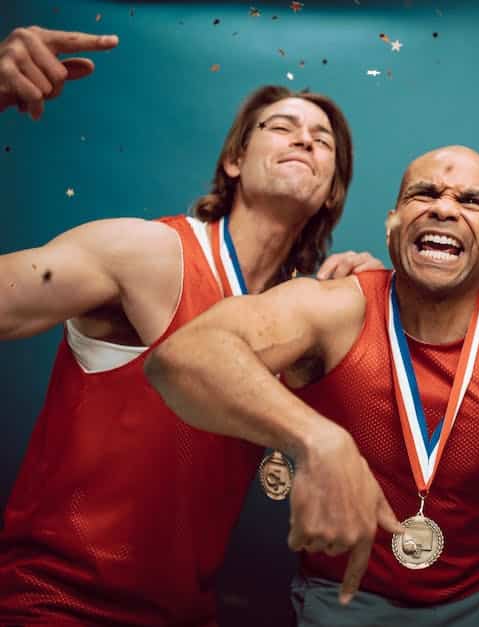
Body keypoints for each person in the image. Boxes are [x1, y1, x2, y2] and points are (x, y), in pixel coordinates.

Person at [0, 25, 386, 625]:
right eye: (281, 127)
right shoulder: (143, 253)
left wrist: (386, 296)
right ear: (235, 160)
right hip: (55, 606)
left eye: (322, 140)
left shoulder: (307, 319)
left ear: (332, 191)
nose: (304, 140)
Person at [146, 145, 479, 626]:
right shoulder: (334, 308)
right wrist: (318, 440)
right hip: (341, 602)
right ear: (393, 224)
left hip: (475, 606)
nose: (443, 208)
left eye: (471, 201)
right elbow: (181, 358)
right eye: (424, 193)